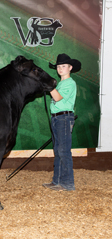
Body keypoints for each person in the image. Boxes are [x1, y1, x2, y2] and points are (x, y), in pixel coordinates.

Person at [43, 53, 81, 191]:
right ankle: (57, 181)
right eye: (58, 66)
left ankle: (68, 183)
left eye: (63, 66)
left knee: (63, 151)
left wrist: (49, 86)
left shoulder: (70, 83)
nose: (60, 69)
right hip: (57, 118)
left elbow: (57, 98)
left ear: (70, 68)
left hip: (64, 118)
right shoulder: (61, 83)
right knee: (58, 151)